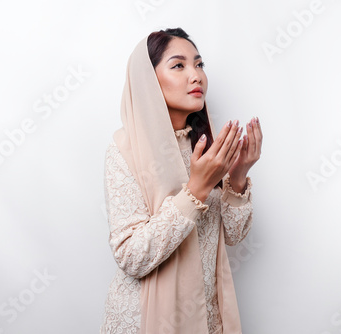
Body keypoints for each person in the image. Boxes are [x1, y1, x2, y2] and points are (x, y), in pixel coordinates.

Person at [100, 27, 263, 334]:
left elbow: (233, 235)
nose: (196, 75)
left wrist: (238, 175)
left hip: (205, 314)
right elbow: (131, 256)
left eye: (199, 64)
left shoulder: (206, 146)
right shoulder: (125, 149)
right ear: (148, 80)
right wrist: (196, 190)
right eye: (179, 65)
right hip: (147, 317)